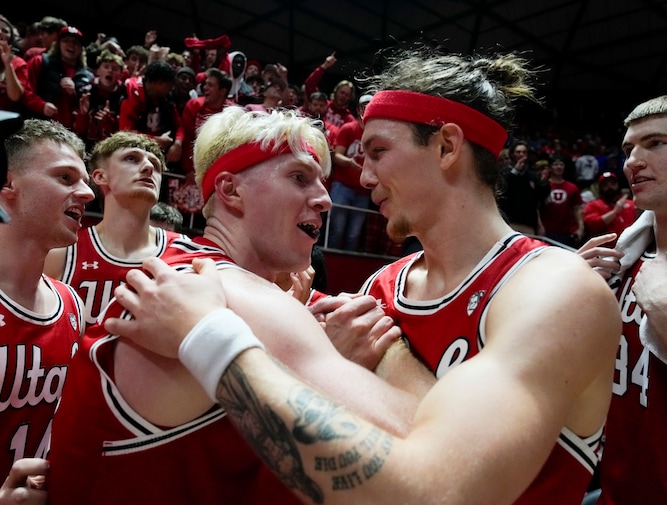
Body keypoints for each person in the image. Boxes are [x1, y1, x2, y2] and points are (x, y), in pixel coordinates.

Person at [107, 48, 622, 505]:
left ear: (446, 147)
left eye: (377, 152)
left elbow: (440, 490)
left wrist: (209, 337)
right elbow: (320, 450)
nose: (364, 178)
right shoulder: (377, 290)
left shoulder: (555, 288)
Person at [47, 106, 425, 504]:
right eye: (299, 178)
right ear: (230, 191)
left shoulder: (230, 285)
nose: (325, 200)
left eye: (322, 182)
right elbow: (436, 464)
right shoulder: (222, 289)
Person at [0, 118, 94, 502]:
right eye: (65, 177)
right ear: (7, 183)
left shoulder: (72, 303)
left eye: (86, 180)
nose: (88, 193)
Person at [577, 93, 667, 505]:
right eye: (629, 149)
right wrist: (568, 297)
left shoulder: (656, 283)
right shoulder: (622, 262)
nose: (633, 160)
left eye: (655, 144)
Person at [44, 131, 186, 327]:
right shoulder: (63, 253)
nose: (148, 167)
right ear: (101, 176)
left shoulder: (184, 252)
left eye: (155, 165)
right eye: (131, 158)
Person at [23, 26, 93, 130]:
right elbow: (24, 90)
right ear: (58, 44)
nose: (71, 45)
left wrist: (74, 94)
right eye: (66, 40)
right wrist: (41, 106)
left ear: (81, 49)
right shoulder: (39, 62)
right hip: (37, 126)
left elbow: (86, 111)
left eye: (75, 42)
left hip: (68, 133)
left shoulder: (88, 77)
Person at [327, 93, 373, 250]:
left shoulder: (375, 133)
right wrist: (349, 162)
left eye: (370, 105)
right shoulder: (348, 128)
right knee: (337, 231)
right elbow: (337, 155)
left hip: (363, 190)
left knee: (354, 235)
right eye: (364, 106)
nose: (367, 109)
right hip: (343, 186)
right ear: (359, 108)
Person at [119, 60, 184, 166]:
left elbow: (179, 126)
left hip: (157, 155)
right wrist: (154, 140)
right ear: (156, 83)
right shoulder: (131, 94)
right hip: (131, 153)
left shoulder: (167, 97)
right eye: (168, 85)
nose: (171, 89)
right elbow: (125, 132)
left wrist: (178, 143)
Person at [72, 49, 125, 150]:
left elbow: (123, 134)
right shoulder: (84, 92)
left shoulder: (124, 96)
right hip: (85, 148)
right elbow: (78, 131)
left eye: (114, 68)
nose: (109, 70)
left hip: (110, 150)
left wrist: (109, 122)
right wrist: (82, 115)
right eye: (106, 67)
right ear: (98, 71)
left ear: (120, 74)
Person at [497, 139, 550, 235]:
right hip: (509, 222)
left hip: (528, 223)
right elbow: (503, 190)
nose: (521, 154)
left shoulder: (532, 175)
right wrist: (516, 171)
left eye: (524, 152)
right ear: (512, 154)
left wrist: (544, 182)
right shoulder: (504, 173)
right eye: (518, 152)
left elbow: (540, 197)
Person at [540, 156, 584, 247]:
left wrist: (581, 227)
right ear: (549, 168)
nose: (559, 167)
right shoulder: (542, 186)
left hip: (566, 233)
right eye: (555, 164)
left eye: (561, 164)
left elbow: (577, 209)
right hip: (545, 231)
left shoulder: (572, 188)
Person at [582, 171, 636, 243]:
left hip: (632, 245)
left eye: (612, 183)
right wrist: (615, 212)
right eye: (605, 185)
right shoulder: (593, 205)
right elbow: (593, 226)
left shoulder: (630, 203)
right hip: (606, 249)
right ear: (600, 188)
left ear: (618, 185)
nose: (609, 187)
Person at [303, 52, 355, 128]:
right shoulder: (322, 104)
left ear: (350, 98)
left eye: (347, 95)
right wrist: (324, 66)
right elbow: (309, 84)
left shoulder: (349, 119)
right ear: (336, 91)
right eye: (342, 92)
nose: (343, 96)